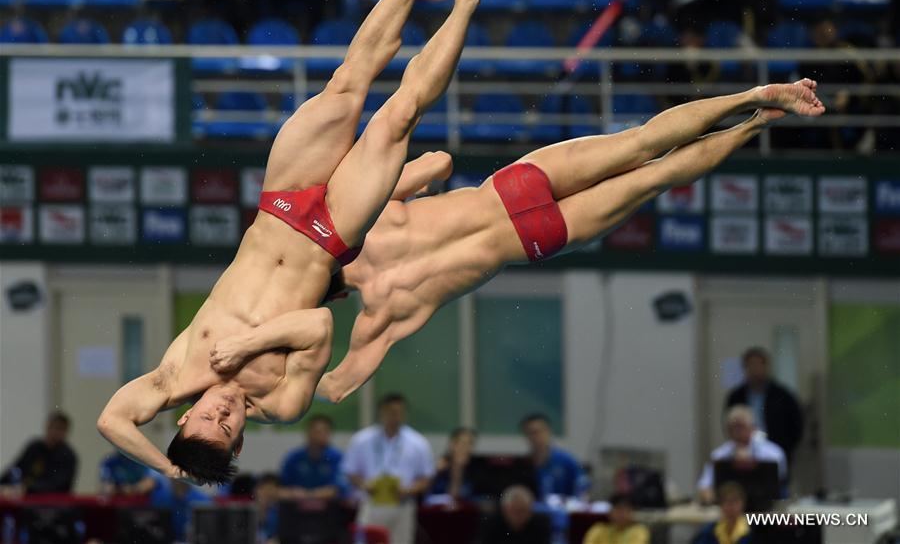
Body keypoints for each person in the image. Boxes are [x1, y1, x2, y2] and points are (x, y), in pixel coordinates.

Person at [97, 0, 486, 485]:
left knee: (346, 84)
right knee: (399, 114)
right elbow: (319, 324)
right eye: (227, 427)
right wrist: (249, 345)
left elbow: (111, 420)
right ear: (242, 437)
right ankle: (467, 1)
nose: (222, 412)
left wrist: (170, 470)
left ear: (184, 415)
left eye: (207, 418)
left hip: (280, 205)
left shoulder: (173, 376)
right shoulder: (283, 403)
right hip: (330, 234)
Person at [314, 81, 825, 406]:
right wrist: (408, 185)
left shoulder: (375, 319)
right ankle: (754, 97)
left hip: (533, 239)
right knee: (642, 141)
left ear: (336, 297)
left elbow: (336, 387)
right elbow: (440, 163)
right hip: (512, 188)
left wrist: (248, 384)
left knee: (658, 175)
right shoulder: (373, 221)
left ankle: (756, 126)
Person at [342, 393, 435, 544]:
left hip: (402, 504)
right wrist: (364, 485)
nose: (395, 416)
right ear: (382, 412)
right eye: (391, 412)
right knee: (367, 540)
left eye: (399, 412)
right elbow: (350, 471)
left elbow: (426, 478)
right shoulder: (362, 439)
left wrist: (409, 490)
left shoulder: (418, 442)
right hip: (372, 502)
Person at [725, 347, 804, 466]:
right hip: (744, 455)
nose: (755, 369)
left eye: (759, 364)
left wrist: (786, 448)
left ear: (766, 366)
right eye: (751, 365)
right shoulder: (736, 397)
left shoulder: (782, 395)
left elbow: (796, 425)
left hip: (776, 451)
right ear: (745, 368)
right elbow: (729, 422)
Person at [697, 405, 788, 503]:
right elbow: (704, 486)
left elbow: (779, 482)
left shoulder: (773, 453)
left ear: (752, 428)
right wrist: (709, 496)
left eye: (741, 427)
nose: (736, 432)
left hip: (765, 510)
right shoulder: (718, 455)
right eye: (732, 428)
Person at [0, 412, 77, 494]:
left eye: (61, 429)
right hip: (26, 499)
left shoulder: (68, 456)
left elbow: (58, 485)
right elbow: (16, 469)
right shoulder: (34, 448)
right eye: (54, 427)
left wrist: (27, 488)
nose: (56, 433)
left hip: (54, 503)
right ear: (47, 427)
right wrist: (4, 483)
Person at [519, 413, 588, 500]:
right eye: (531, 433)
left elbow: (582, 489)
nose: (536, 437)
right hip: (536, 511)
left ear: (548, 431)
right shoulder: (523, 464)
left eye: (539, 431)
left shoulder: (566, 460)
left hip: (563, 511)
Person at [280, 414, 344, 499]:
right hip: (296, 506)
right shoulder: (294, 457)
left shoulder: (337, 457)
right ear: (308, 432)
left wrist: (309, 495)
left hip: (330, 507)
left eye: (326, 432)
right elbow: (282, 488)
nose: (321, 436)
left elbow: (337, 489)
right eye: (317, 432)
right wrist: (293, 493)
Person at [478, 485, 552, 544]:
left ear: (530, 510)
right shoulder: (491, 524)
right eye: (514, 511)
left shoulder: (540, 525)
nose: (518, 515)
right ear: (504, 510)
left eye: (522, 510)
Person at [431, 427, 478, 500]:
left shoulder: (476, 469)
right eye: (463, 443)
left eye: (470, 444)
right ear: (452, 445)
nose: (466, 448)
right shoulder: (440, 468)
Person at [582, 493, 650, 544]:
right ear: (610, 513)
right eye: (618, 510)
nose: (621, 514)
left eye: (625, 510)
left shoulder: (639, 531)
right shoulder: (598, 530)